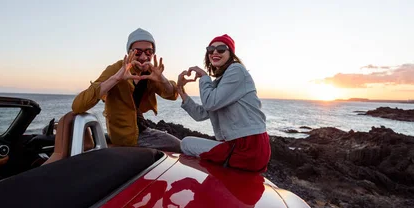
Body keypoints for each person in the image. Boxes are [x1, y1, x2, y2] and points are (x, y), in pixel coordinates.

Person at [72, 28, 182, 152]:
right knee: (180, 148)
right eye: (137, 52)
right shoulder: (117, 69)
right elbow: (77, 106)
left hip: (142, 128)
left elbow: (172, 95)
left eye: (148, 52)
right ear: (129, 52)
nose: (143, 57)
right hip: (125, 137)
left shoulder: (151, 72)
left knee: (181, 147)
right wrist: (116, 78)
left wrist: (162, 79)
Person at [176, 34, 271, 171]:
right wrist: (180, 90)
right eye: (211, 49)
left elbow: (210, 103)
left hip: (248, 147)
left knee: (186, 144)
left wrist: (204, 77)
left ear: (230, 54)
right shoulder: (220, 83)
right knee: (188, 144)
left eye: (221, 49)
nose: (215, 52)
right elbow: (200, 114)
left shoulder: (236, 70)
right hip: (238, 146)